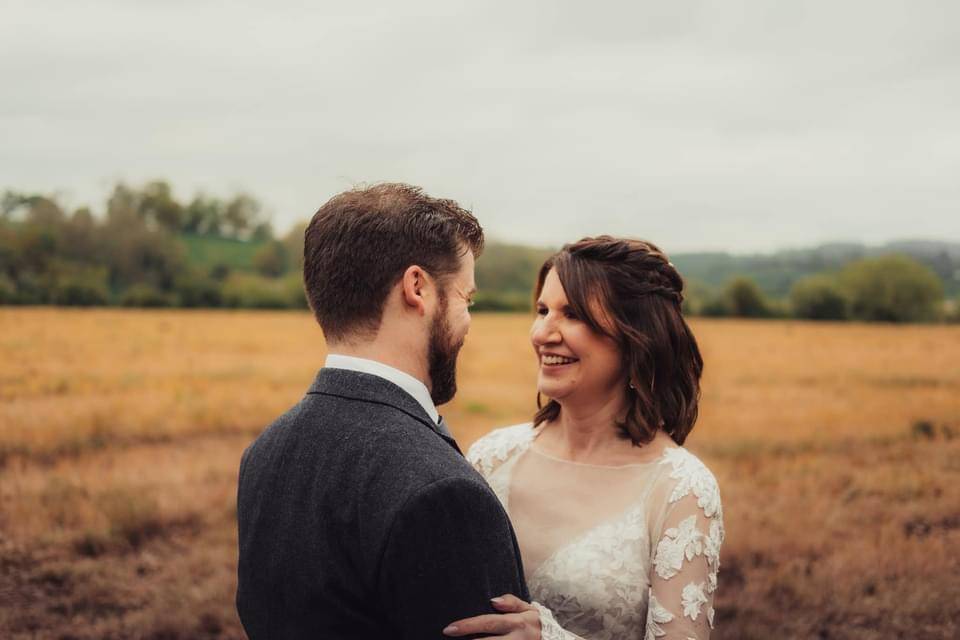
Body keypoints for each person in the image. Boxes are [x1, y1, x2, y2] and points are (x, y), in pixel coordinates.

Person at [236, 183, 529, 639]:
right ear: (418, 288)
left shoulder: (263, 453)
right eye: (466, 299)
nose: (468, 321)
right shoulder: (442, 494)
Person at [444, 236, 724, 640]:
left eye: (572, 314)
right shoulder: (492, 456)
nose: (543, 333)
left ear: (636, 336)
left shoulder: (681, 490)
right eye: (542, 310)